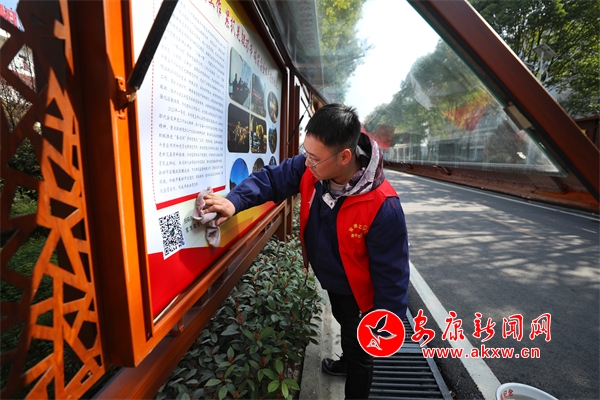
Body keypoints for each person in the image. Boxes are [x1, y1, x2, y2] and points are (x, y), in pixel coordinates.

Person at [202, 103, 410, 400]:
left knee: (361, 353)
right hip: (333, 280)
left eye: (314, 158)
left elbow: (393, 271)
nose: (306, 163)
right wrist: (234, 201)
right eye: (305, 153)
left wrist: (388, 320)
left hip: (361, 296)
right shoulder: (314, 168)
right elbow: (272, 179)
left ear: (345, 156)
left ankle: (354, 374)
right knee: (343, 324)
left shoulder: (383, 206)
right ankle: (346, 360)